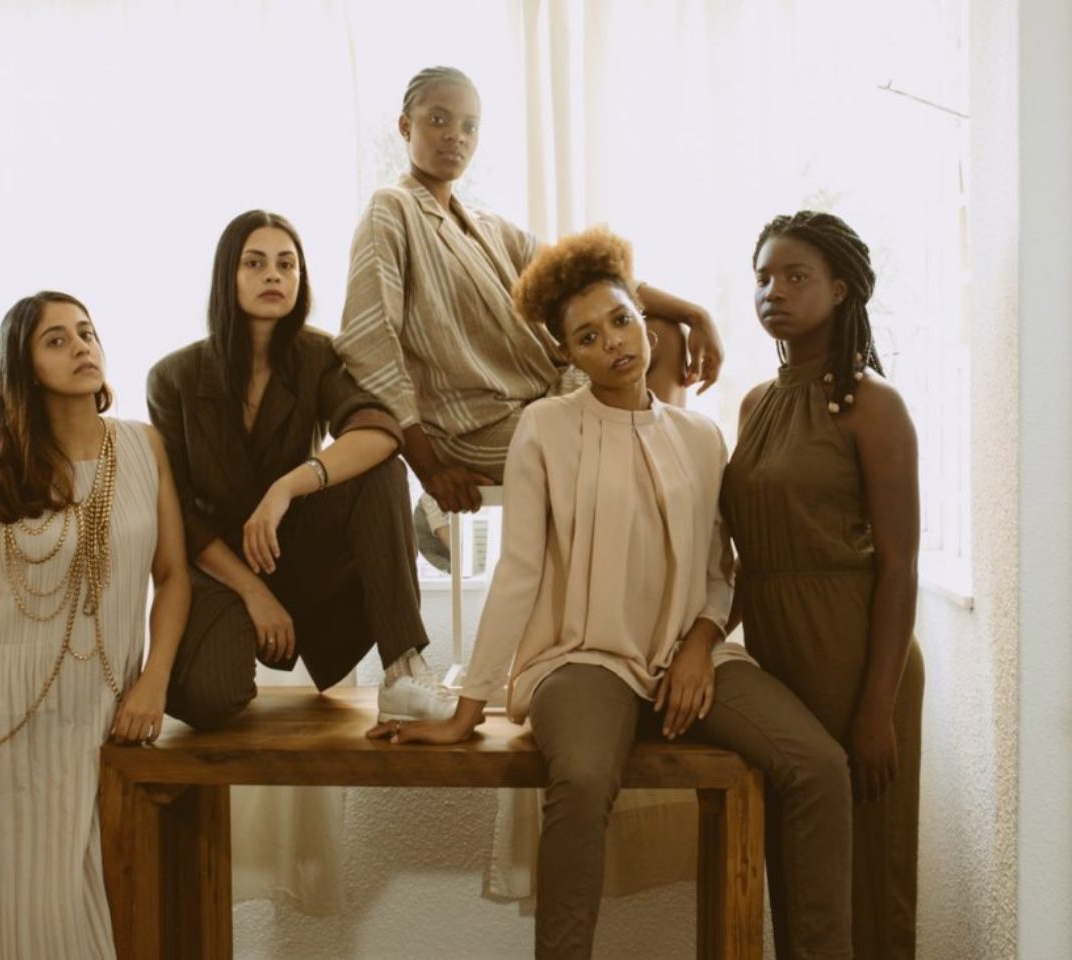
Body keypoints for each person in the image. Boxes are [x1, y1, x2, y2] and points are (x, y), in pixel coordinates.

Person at [370, 228, 853, 960]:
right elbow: (520, 571)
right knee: (586, 778)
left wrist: (700, 645)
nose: (614, 344)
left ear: (641, 317)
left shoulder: (700, 436)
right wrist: (468, 708)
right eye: (588, 337)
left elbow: (723, 570)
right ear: (566, 355)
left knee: (818, 766)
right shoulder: (546, 428)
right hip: (581, 658)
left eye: (621, 320)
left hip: (690, 659)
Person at [334, 65, 725, 556]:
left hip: (544, 395)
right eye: (438, 119)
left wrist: (696, 314)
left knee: (661, 333)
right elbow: (370, 343)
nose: (454, 136)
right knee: (621, 433)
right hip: (473, 426)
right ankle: (661, 524)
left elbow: (586, 273)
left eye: (469, 126)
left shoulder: (485, 224)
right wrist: (429, 469)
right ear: (405, 126)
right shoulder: (390, 209)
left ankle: (658, 482)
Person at [0, 291, 190, 958]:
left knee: (68, 914)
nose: (81, 347)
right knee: (2, 915)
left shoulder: (144, 446)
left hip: (91, 715)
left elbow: (175, 576)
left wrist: (154, 682)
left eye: (87, 332)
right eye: (57, 340)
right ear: (25, 367)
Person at [147, 210, 454, 728]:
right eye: (255, 263)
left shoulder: (318, 356)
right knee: (210, 701)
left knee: (381, 473)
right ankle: (225, 645)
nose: (274, 275)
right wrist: (254, 593)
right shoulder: (173, 378)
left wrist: (284, 490)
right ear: (228, 276)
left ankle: (404, 670)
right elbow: (179, 516)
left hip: (296, 553)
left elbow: (379, 431)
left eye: (287, 265)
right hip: (219, 568)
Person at [722, 211, 925, 959]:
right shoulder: (755, 405)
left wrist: (877, 709)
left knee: (869, 867)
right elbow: (744, 554)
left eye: (795, 276)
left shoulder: (874, 407)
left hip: (859, 654)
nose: (773, 290)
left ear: (840, 290)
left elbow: (901, 566)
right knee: (799, 862)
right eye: (764, 277)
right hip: (782, 657)